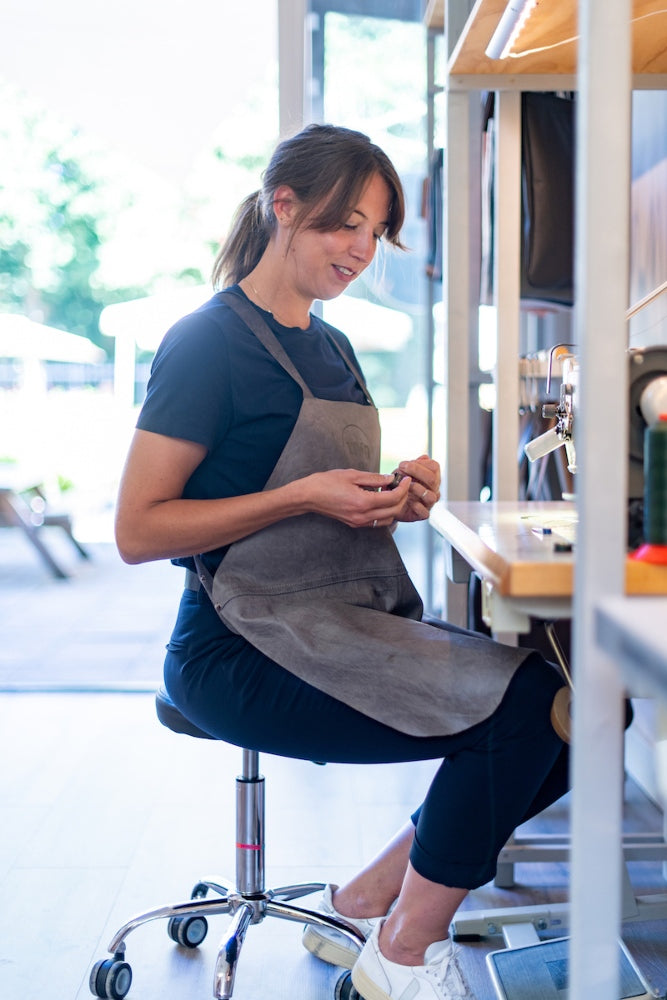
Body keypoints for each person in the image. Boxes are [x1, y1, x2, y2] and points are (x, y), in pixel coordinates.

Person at [115, 123, 570, 1000]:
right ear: (282, 207)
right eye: (342, 226)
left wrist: (400, 492)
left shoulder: (330, 345)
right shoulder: (206, 345)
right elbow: (137, 530)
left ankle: (366, 902)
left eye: (375, 232)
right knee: (527, 713)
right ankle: (403, 952)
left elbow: (329, 496)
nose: (360, 250)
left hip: (335, 625)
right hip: (236, 649)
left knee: (579, 715)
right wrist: (304, 495)